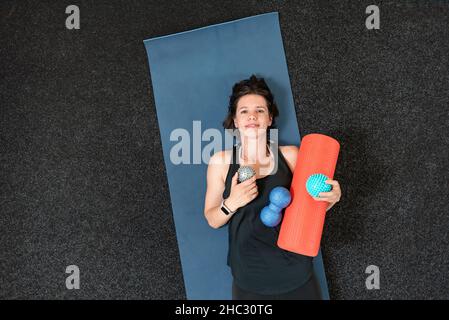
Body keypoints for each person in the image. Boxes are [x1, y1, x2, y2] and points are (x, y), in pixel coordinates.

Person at [203, 75, 341, 300]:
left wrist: (330, 199)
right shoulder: (221, 162)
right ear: (235, 121)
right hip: (249, 276)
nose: (252, 116)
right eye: (244, 111)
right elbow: (212, 218)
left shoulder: (291, 156)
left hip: (295, 270)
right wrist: (231, 203)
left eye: (260, 110)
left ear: (270, 118)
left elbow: (309, 212)